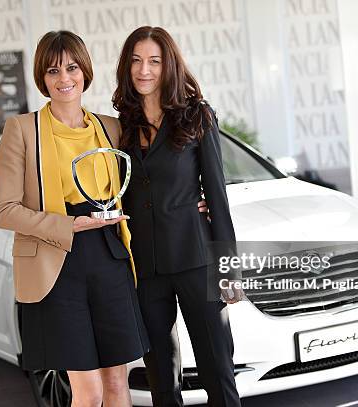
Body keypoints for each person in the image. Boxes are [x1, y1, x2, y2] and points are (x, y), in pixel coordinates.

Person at [0, 30, 149, 407]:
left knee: (117, 386)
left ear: (85, 71)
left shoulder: (111, 128)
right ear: (42, 79)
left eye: (72, 68)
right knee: (88, 391)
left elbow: (144, 184)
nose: (64, 79)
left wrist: (196, 199)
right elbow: (4, 210)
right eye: (53, 71)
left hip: (111, 257)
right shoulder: (22, 130)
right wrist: (69, 226)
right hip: (58, 263)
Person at [112, 26, 243, 407]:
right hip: (146, 268)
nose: (144, 70)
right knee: (161, 378)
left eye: (154, 60)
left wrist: (229, 267)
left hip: (196, 260)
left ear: (169, 65)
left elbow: (217, 197)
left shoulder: (197, 115)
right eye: (136, 60)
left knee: (217, 369)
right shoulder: (122, 125)